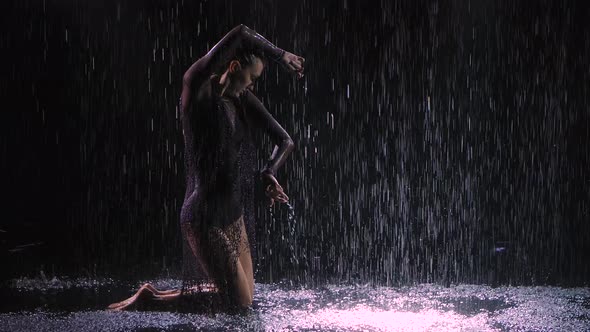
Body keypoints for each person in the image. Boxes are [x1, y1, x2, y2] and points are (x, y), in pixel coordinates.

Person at [107, 24, 304, 311]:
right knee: (238, 302)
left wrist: (268, 172)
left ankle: (153, 295)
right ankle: (149, 302)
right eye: (251, 78)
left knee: (243, 298)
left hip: (233, 214)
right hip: (204, 216)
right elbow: (240, 33)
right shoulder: (197, 89)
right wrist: (279, 54)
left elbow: (285, 140)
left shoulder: (240, 99)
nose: (252, 86)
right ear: (234, 66)